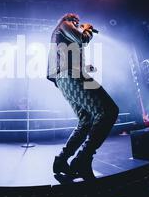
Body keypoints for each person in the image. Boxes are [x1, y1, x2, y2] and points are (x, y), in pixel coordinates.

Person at [47, 13, 119, 180]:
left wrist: (86, 66)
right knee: (108, 111)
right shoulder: (64, 24)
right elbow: (83, 39)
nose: (78, 24)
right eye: (75, 21)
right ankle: (83, 159)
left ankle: (61, 160)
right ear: (68, 19)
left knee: (86, 121)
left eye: (79, 22)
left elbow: (69, 54)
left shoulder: (64, 36)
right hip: (70, 76)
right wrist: (87, 29)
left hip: (68, 77)